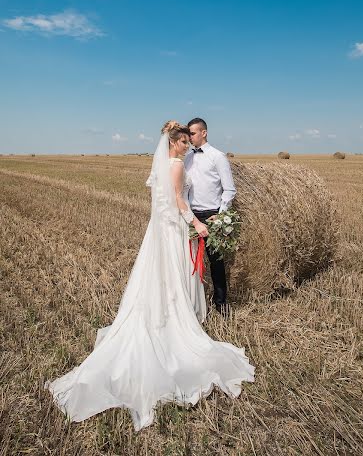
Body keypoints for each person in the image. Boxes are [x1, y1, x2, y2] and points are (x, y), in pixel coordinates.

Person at [44, 121, 254, 431]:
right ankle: (174, 320)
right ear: (174, 143)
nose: (186, 145)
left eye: (188, 140)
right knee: (175, 276)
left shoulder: (163, 166)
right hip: (176, 227)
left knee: (160, 277)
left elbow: (159, 195)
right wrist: (194, 225)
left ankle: (165, 313)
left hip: (160, 229)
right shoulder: (178, 165)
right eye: (183, 141)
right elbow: (180, 201)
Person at [184, 118, 236, 315]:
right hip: (191, 216)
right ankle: (194, 302)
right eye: (188, 134)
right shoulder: (187, 158)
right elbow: (185, 190)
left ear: (203, 133)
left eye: (193, 133)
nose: (189, 138)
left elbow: (229, 189)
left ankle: (221, 302)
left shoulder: (218, 157)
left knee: (216, 261)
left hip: (212, 215)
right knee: (190, 261)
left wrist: (220, 215)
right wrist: (188, 216)